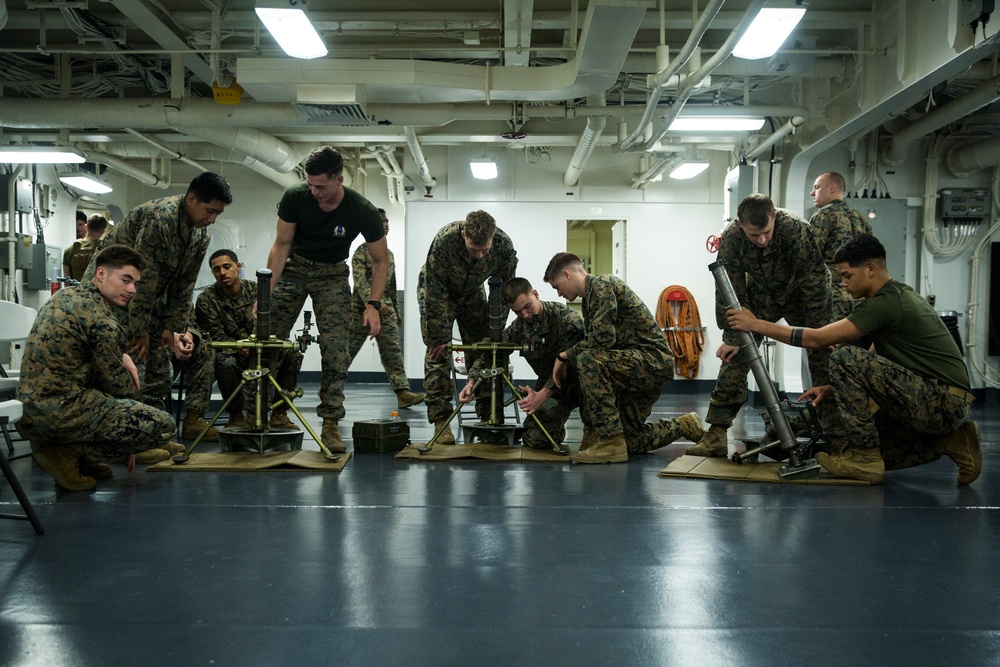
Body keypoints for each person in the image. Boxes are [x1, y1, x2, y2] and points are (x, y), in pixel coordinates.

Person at [727, 234, 981, 485]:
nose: (843, 284)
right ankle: (951, 441)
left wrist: (756, 324)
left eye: (847, 275)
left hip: (943, 402)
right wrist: (832, 388)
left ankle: (864, 459)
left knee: (843, 355)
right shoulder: (896, 296)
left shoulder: (885, 303)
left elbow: (817, 339)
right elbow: (877, 354)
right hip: (943, 402)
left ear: (871, 268)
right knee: (871, 452)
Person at [18, 245, 180, 491]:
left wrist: (120, 354)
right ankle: (64, 453)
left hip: (32, 411)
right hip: (58, 413)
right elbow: (118, 386)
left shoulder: (66, 296)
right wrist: (132, 439)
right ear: (101, 274)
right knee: (161, 425)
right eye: (125, 280)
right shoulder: (101, 319)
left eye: (135, 283)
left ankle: (81, 458)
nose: (132, 290)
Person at [687, 193, 834, 458]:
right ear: (741, 225)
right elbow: (729, 291)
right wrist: (732, 334)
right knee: (737, 352)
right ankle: (717, 433)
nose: (762, 240)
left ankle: (834, 430)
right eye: (755, 235)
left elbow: (815, 282)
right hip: (763, 295)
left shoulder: (794, 228)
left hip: (800, 294)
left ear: (774, 218)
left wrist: (822, 332)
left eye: (766, 232)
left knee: (823, 352)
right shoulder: (732, 238)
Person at [82, 172, 233, 423]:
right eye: (210, 211)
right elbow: (143, 278)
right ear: (191, 199)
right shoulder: (160, 218)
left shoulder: (200, 235)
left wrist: (171, 328)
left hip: (147, 301)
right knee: (136, 360)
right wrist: (140, 331)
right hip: (111, 297)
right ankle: (127, 434)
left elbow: (184, 286)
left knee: (161, 367)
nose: (213, 219)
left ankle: (150, 430)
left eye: (218, 213)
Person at [267, 146, 388, 453]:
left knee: (336, 350)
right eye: (310, 184)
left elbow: (380, 261)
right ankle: (272, 412)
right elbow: (281, 246)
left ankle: (330, 424)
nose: (314, 191)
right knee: (269, 342)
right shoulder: (296, 197)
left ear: (339, 179)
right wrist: (264, 295)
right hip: (294, 269)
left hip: (332, 275)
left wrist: (373, 305)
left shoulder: (361, 209)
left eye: (320, 186)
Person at [544, 253, 705, 464]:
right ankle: (684, 425)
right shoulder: (589, 299)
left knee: (587, 360)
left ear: (567, 274)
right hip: (631, 366)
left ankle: (609, 440)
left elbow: (602, 339)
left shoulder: (601, 284)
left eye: (557, 286)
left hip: (650, 361)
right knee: (631, 441)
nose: (559, 293)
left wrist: (564, 355)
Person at [418, 210, 518, 444]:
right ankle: (441, 423)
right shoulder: (445, 241)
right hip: (440, 293)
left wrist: (496, 330)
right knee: (438, 353)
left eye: (485, 249)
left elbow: (504, 292)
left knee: (486, 347)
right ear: (464, 234)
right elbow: (433, 290)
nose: (481, 255)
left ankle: (487, 415)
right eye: (475, 249)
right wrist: (439, 335)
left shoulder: (503, 246)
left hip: (472, 292)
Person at [458, 277, 585, 449]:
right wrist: (471, 382)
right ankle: (555, 428)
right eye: (517, 312)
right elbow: (493, 353)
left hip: (579, 385)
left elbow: (569, 366)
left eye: (527, 306)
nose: (525, 315)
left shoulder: (567, 319)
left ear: (536, 294)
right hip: (549, 386)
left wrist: (543, 395)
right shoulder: (519, 327)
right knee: (536, 439)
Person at [197, 249, 303, 430]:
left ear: (238, 267)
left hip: (263, 349)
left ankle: (279, 413)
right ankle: (236, 416)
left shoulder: (258, 292)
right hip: (234, 352)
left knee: (292, 355)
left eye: (227, 266)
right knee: (225, 363)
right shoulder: (206, 300)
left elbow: (275, 324)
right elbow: (215, 335)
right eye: (216, 269)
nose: (222, 273)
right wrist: (241, 348)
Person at [347, 208, 425, 410]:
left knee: (393, 352)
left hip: (386, 311)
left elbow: (391, 285)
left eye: (387, 221)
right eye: (382, 221)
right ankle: (329, 390)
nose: (386, 225)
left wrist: (396, 312)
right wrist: (374, 303)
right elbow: (360, 283)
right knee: (345, 352)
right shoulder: (361, 253)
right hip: (360, 311)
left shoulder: (388, 254)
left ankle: (403, 393)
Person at [808, 172, 872, 316]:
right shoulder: (860, 218)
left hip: (831, 297)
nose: (812, 193)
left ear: (832, 189)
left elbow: (809, 258)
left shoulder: (822, 216)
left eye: (817, 187)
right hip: (858, 296)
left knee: (828, 337)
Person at [63, 214, 108, 280]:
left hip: (75, 289)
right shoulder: (107, 249)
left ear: (86, 227)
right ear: (102, 231)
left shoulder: (70, 249)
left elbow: (66, 278)